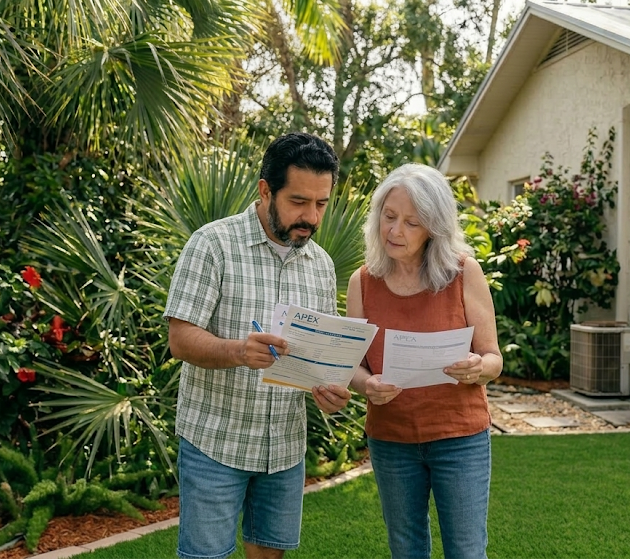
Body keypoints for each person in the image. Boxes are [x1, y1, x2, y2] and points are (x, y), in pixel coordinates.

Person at [164, 132, 352, 559]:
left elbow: (317, 357)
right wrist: (237, 351)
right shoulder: (212, 245)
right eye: (299, 201)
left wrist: (326, 390)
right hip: (215, 441)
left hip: (284, 446)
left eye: (321, 204)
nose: (311, 217)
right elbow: (180, 339)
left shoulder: (320, 265)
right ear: (265, 190)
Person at [347, 163, 503, 559]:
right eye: (389, 217)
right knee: (407, 551)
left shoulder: (464, 272)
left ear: (433, 227)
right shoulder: (362, 282)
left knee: (466, 552)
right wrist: (367, 385)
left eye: (411, 223)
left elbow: (494, 359)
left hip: (459, 438)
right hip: (391, 439)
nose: (395, 231)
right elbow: (352, 365)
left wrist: (476, 367)